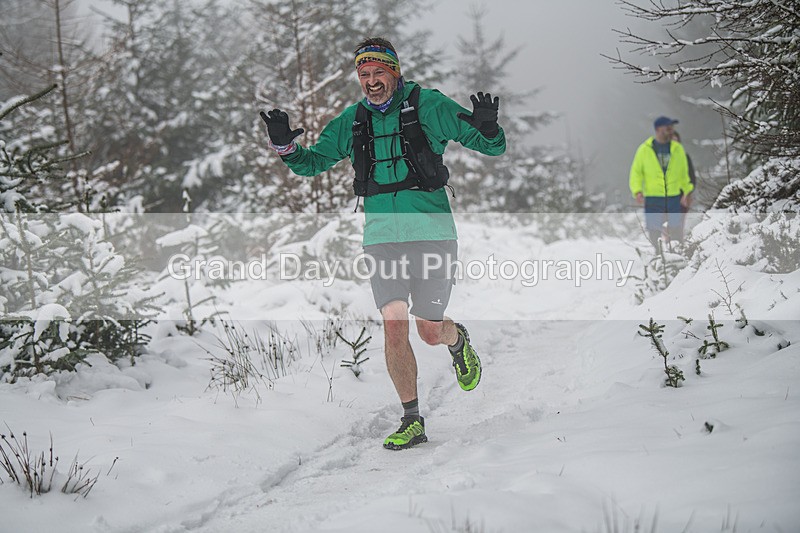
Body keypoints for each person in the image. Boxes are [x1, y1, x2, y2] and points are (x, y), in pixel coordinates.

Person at [261, 37, 506, 450]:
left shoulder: (427, 105)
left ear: (394, 71)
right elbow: (314, 162)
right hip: (381, 239)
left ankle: (456, 340)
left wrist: (488, 127)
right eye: (364, 74)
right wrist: (285, 146)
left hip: (431, 232)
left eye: (379, 72)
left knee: (428, 331)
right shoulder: (353, 120)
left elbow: (492, 147)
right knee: (394, 326)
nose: (372, 81)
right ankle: (412, 419)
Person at [629, 116, 694, 248]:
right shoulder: (644, 149)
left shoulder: (677, 149)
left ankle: (676, 257)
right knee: (654, 231)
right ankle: (659, 257)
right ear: (658, 129)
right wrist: (637, 191)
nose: (671, 130)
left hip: (673, 197)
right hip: (653, 198)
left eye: (672, 128)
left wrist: (687, 192)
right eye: (668, 127)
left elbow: (683, 173)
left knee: (675, 230)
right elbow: (636, 172)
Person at [671, 130, 697, 234]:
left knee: (678, 226)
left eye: (675, 141)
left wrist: (686, 194)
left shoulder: (685, 157)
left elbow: (692, 179)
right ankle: (665, 246)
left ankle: (677, 246)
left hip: (682, 197)